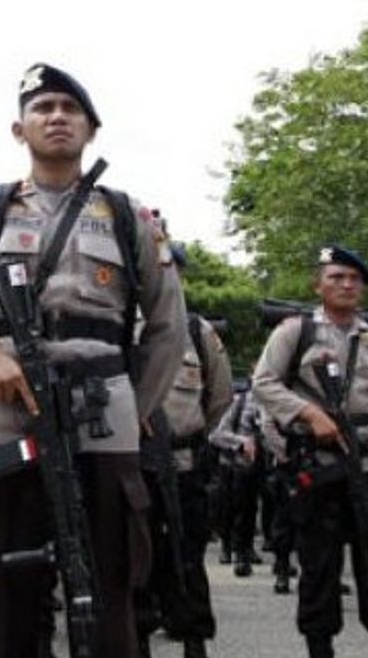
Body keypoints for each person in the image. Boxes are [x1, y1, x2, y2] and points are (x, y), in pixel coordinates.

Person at [0, 62, 187, 658]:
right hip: (6, 419)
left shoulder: (131, 216)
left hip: (104, 421)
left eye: (70, 109)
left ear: (91, 128)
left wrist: (135, 408)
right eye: (43, 108)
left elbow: (167, 330)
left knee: (109, 595)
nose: (57, 117)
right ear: (18, 128)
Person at [251, 245, 368, 658]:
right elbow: (264, 384)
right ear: (318, 285)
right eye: (336, 277)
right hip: (319, 470)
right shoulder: (295, 332)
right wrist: (307, 414)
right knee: (320, 572)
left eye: (354, 279)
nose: (345, 285)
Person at [136, 243, 232, 658]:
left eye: (171, 270)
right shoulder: (121, 327)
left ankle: (194, 640)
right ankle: (136, 639)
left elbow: (220, 397)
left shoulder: (198, 332)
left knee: (188, 555)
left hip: (184, 463)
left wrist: (189, 435)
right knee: (133, 559)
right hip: (132, 464)